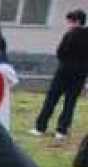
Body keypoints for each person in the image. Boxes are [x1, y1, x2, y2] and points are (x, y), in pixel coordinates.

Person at [31, 9, 88, 141]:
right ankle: (61, 131)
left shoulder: (70, 34)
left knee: (51, 100)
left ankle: (40, 127)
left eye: (69, 21)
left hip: (64, 73)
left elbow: (60, 52)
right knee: (70, 103)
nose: (68, 24)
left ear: (77, 21)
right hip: (80, 74)